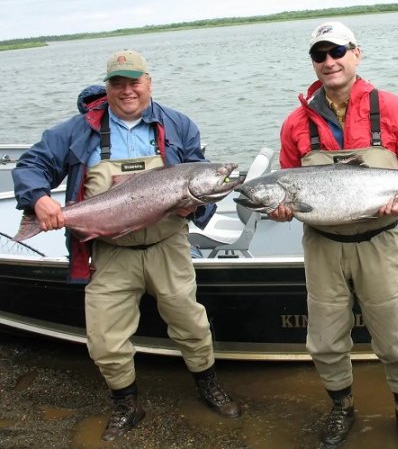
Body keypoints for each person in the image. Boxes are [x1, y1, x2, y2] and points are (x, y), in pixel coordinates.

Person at [12, 50, 239, 441]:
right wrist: (39, 199)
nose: (127, 90)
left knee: (190, 323)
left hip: (168, 245)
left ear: (149, 82)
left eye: (135, 82)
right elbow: (30, 165)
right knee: (104, 337)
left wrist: (194, 208)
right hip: (110, 252)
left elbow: (203, 179)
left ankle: (208, 384)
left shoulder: (179, 125)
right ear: (108, 87)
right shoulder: (77, 131)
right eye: (118, 83)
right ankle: (126, 403)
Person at [269, 21, 398, 448]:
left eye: (337, 51)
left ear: (356, 53)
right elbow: (285, 183)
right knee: (324, 341)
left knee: (395, 339)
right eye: (319, 55)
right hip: (322, 246)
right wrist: (281, 210)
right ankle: (341, 407)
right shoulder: (294, 124)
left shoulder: (397, 109)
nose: (329, 62)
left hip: (379, 241)